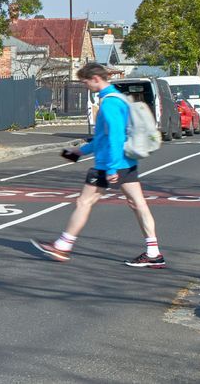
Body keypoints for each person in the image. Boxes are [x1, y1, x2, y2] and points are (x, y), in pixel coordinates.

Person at [34, 63, 165, 268]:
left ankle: (62, 246)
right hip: (127, 161)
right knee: (138, 204)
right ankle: (154, 252)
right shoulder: (118, 99)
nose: (86, 86)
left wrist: (111, 168)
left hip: (109, 164)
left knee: (83, 202)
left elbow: (113, 137)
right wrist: (79, 152)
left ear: (96, 78)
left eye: (86, 82)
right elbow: (103, 138)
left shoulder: (109, 103)